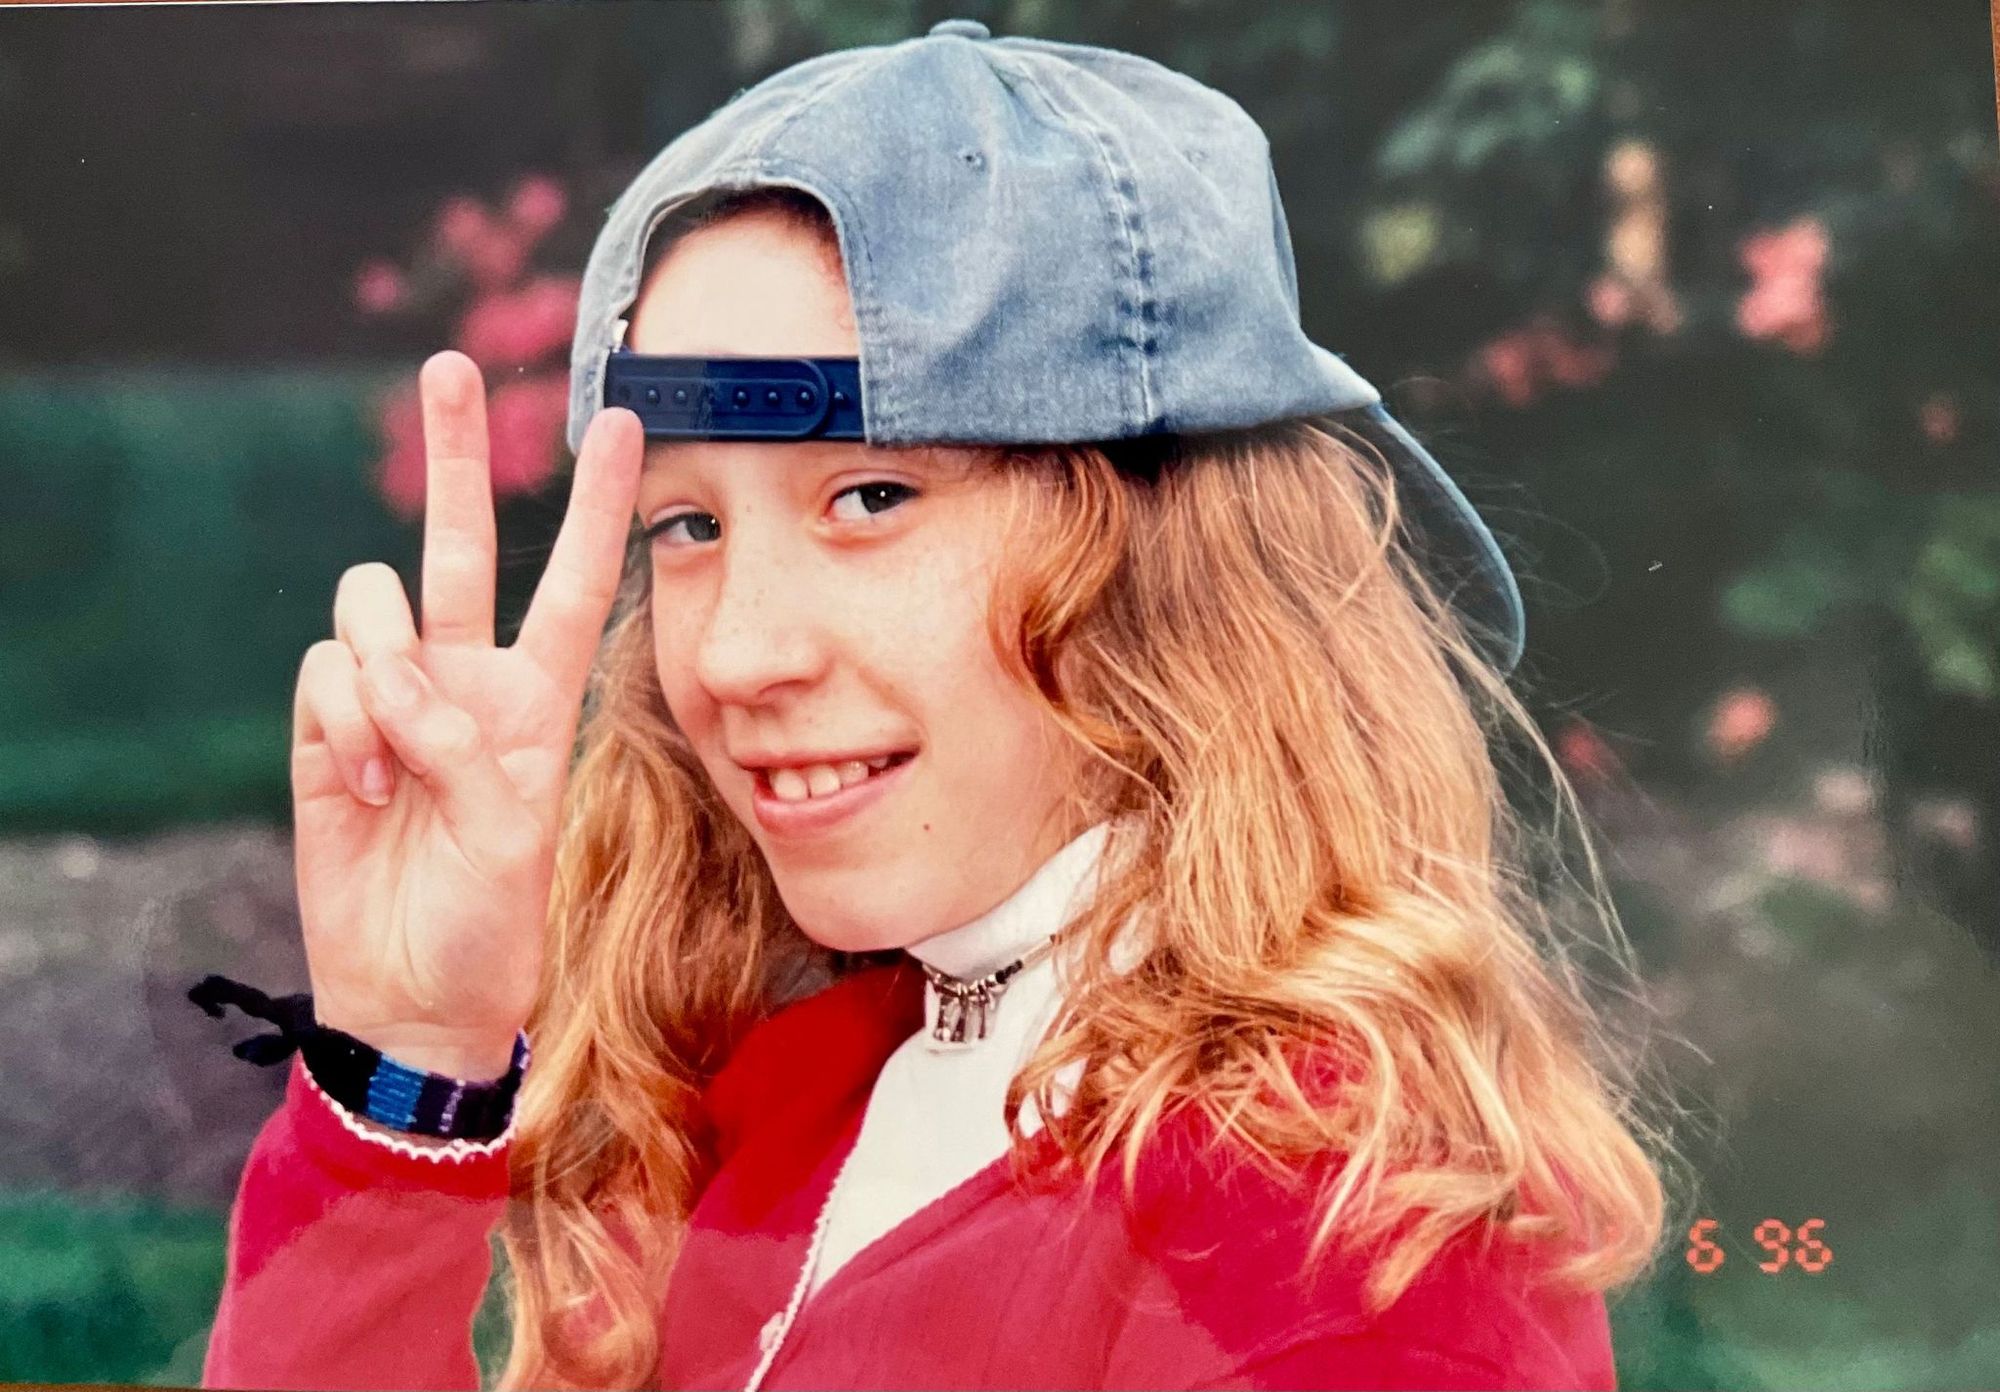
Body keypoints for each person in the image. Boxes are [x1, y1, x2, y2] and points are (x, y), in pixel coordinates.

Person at [194, 18, 1679, 1392]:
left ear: (1176, 564)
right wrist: (409, 1070)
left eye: (870, 495)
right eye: (687, 525)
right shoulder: (788, 1114)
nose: (735, 656)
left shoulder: (1334, 1236)